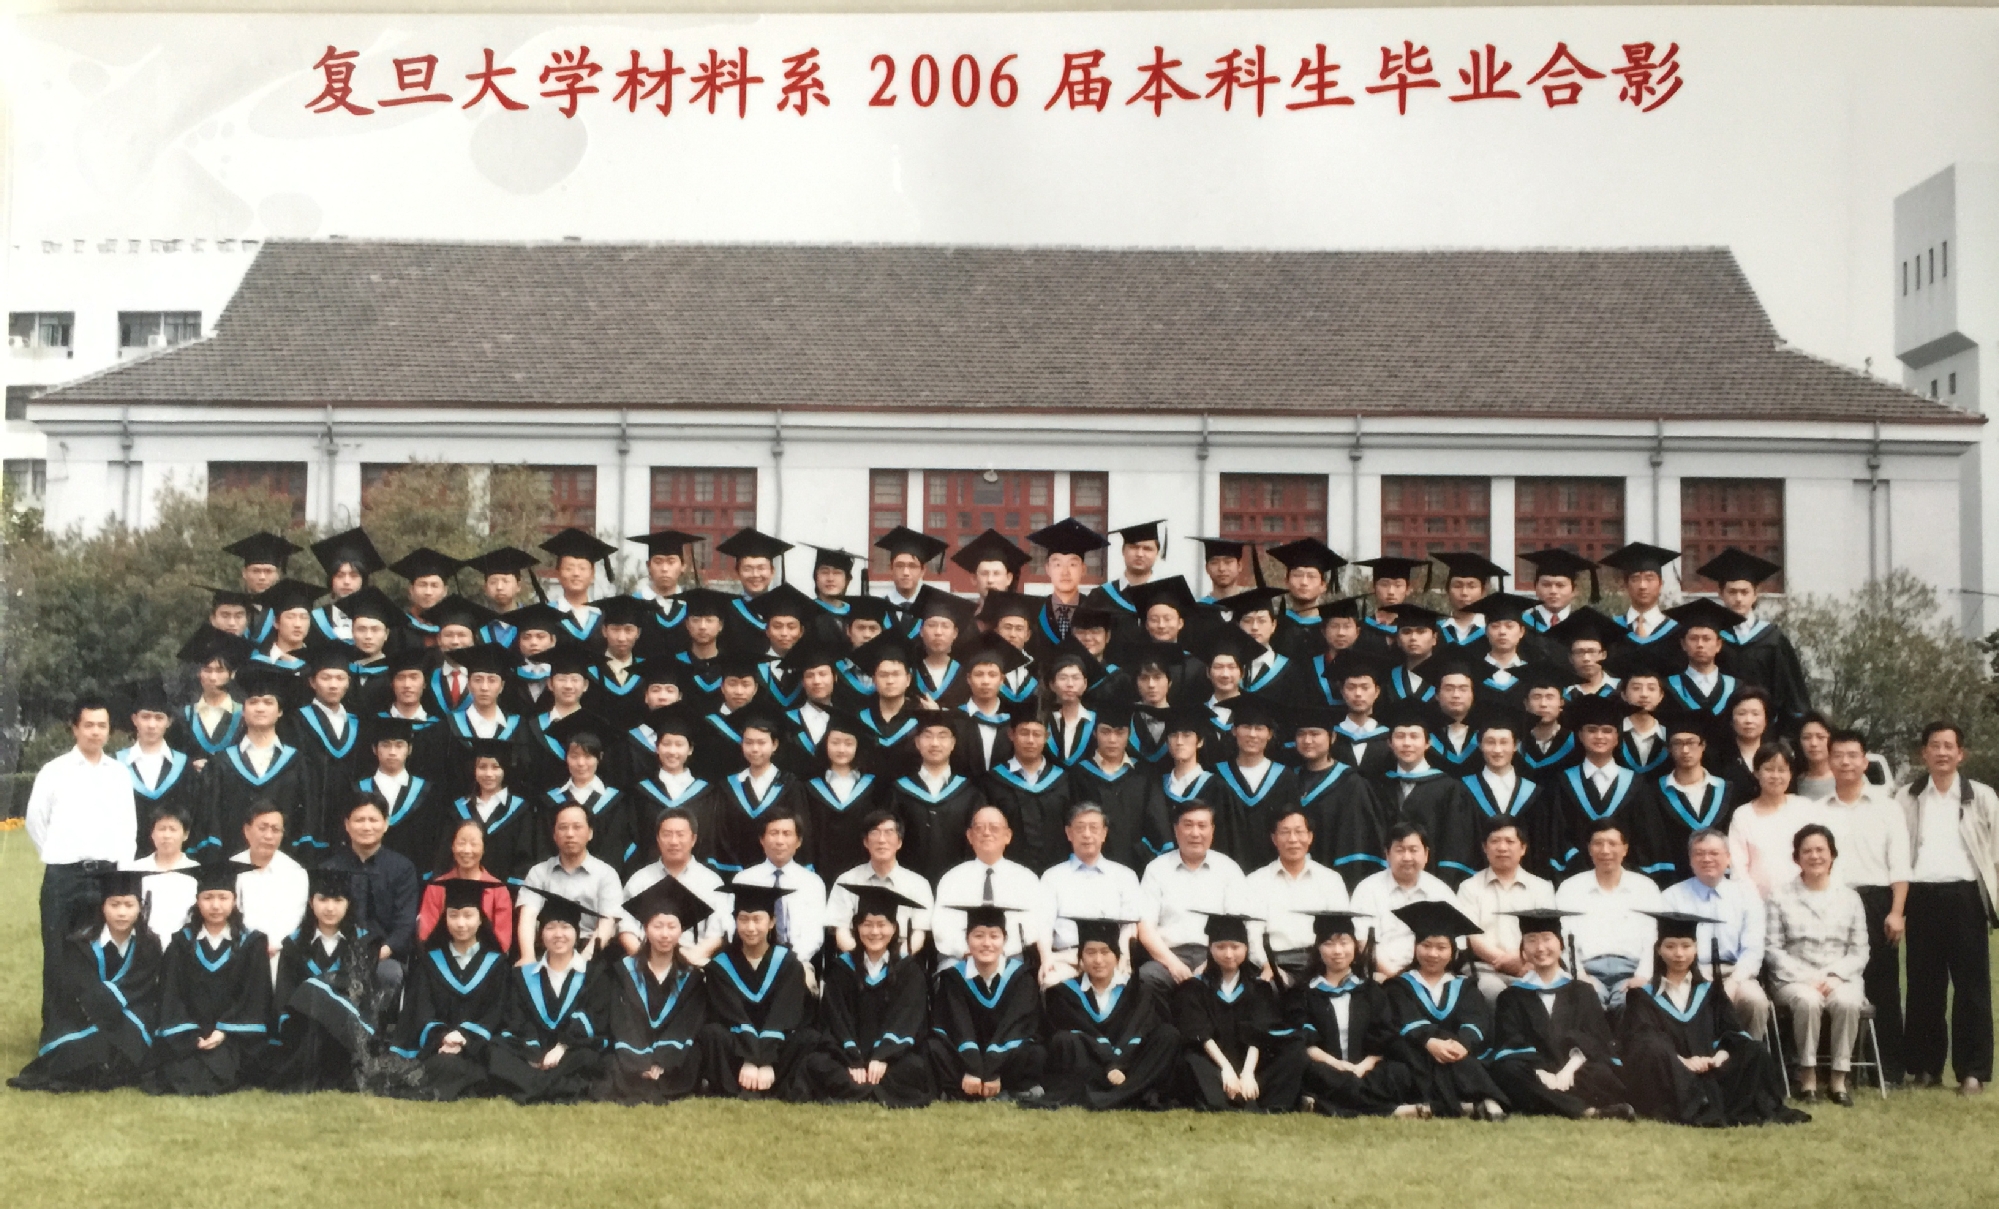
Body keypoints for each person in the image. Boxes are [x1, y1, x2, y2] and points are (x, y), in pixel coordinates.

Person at [1617, 910, 1804, 1126]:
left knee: (1755, 1050)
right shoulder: (1642, 996)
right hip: (1673, 1072)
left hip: (1712, 1069)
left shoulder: (1711, 991)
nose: (1679, 954)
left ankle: (1722, 1103)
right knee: (1652, 1050)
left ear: (1696, 949)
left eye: (1686, 946)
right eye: (1670, 946)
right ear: (1658, 950)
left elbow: (1730, 1030)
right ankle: (1699, 1105)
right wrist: (1682, 1061)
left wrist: (1720, 1056)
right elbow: (1645, 1039)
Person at [1893, 721, 1999, 1095]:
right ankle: (1924, 1068)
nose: (1941, 752)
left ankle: (1973, 1072)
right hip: (1921, 896)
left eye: (1948, 746)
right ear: (1924, 753)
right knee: (1924, 986)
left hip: (1966, 897)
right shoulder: (1906, 796)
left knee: (1972, 988)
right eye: (1934, 746)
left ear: (1960, 754)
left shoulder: (1981, 796)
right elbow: (1898, 850)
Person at [27, 697, 139, 1034]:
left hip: (106, 877)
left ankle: (95, 1030)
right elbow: (36, 822)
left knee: (99, 953)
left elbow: (128, 828)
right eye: (88, 725)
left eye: (101, 725)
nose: (95, 732)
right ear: (75, 728)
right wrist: (62, 855)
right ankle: (56, 1032)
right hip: (64, 877)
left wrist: (120, 876)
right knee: (59, 955)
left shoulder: (118, 773)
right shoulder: (54, 771)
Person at [10, 869, 161, 1093]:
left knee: (119, 1045)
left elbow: (142, 987)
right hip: (84, 1015)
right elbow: (79, 987)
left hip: (127, 1014)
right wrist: (100, 1009)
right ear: (103, 906)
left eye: (129, 905)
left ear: (140, 907)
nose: (122, 912)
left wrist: (111, 1005)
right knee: (86, 1048)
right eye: (114, 904)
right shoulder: (81, 943)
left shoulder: (148, 944)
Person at [1815, 728, 1910, 1083]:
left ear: (1865, 761)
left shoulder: (1887, 807)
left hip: (1877, 900)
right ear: (1829, 761)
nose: (1845, 762)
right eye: (1838, 755)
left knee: (1882, 984)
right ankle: (1836, 1065)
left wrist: (1896, 911)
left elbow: (1900, 865)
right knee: (1834, 978)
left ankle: (1888, 1070)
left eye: (1852, 755)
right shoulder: (1818, 810)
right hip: (1833, 899)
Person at [1485, 909, 1635, 1120]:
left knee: (1601, 1073)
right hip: (1533, 1070)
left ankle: (1544, 1101)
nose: (1540, 948)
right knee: (1508, 1071)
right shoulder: (1511, 996)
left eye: (1547, 939)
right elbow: (1511, 1042)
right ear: (1523, 949)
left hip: (1576, 1069)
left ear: (1561, 944)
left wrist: (1568, 1070)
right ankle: (1586, 1111)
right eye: (1532, 940)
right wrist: (1540, 1072)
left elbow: (1595, 1040)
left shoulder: (1583, 991)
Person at [143, 862, 274, 1096]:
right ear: (197, 901)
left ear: (234, 901)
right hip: (188, 1035)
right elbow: (171, 995)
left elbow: (254, 998)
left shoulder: (252, 944)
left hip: (233, 1035)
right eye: (208, 897)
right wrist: (192, 1035)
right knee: (181, 1069)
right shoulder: (181, 944)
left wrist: (222, 1031)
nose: (215, 905)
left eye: (223, 898)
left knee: (221, 1067)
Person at [1766, 824, 1870, 1104]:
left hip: (1841, 977)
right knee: (1808, 1000)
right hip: (1794, 978)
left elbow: (1860, 950)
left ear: (1832, 855)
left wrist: (1836, 976)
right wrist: (1807, 978)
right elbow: (1773, 948)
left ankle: (1839, 1078)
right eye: (1807, 851)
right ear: (1797, 857)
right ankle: (1808, 1076)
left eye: (1821, 850)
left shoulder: (1850, 898)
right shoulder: (1779, 896)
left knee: (1847, 1001)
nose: (1814, 856)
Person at [805, 885, 936, 1107]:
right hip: (848, 1057)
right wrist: (853, 1059)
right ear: (857, 928)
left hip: (892, 1059)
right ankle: (877, 1090)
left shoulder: (909, 970)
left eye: (882, 924)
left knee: (915, 1067)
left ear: (894, 928)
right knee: (816, 1063)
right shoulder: (842, 969)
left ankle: (857, 1090)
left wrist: (883, 1056)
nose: (875, 932)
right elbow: (835, 1019)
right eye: (867, 924)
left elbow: (907, 1019)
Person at [1285, 910, 1425, 1117]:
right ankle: (1392, 1111)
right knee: (1313, 1073)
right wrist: (1337, 1065)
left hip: (1365, 1069)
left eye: (1344, 943)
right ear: (1318, 948)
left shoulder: (1371, 991)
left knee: (1399, 1072)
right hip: (1326, 1067)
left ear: (1355, 946)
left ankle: (1327, 1105)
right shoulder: (1303, 993)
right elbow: (1305, 1042)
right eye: (1329, 944)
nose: (1337, 951)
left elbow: (1384, 1037)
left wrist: (1362, 1067)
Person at [1380, 900, 1509, 1119]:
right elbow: (1403, 1020)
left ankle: (1469, 1103)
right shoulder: (1398, 986)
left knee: (1461, 1056)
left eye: (1441, 947)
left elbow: (1476, 1020)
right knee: (1414, 1057)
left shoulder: (1464, 986)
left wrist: (1463, 1044)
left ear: (1452, 951)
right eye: (1426, 945)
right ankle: (1481, 1101)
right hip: (1416, 1052)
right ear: (1416, 947)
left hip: (1457, 1053)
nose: (1433, 954)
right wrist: (1429, 1042)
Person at [385, 877, 510, 1102]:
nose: (461, 923)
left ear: (481, 919)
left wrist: (464, 1037)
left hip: (478, 1047)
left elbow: (496, 1012)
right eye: (453, 915)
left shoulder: (497, 964)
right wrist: (444, 1037)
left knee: (489, 1063)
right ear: (445, 918)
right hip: (438, 1047)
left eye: (468, 915)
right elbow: (421, 1010)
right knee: (443, 1065)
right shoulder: (429, 962)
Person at [1042, 915, 1182, 1110]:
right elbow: (1081, 1034)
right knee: (1065, 1040)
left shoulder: (1138, 991)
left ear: (1117, 956)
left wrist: (1120, 1065)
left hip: (1129, 1066)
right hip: (1091, 1066)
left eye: (1105, 952)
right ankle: (1130, 1094)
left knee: (1168, 1035)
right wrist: (1110, 1064)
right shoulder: (1064, 993)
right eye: (1090, 952)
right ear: (1081, 957)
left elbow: (1139, 1031)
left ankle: (1103, 1097)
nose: (1098, 960)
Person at [595, 876, 711, 1105]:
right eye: (657, 926)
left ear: (681, 931)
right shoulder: (624, 971)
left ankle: (658, 1076)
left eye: (672, 927)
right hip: (631, 1056)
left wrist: (662, 1060)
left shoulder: (691, 977)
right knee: (610, 1061)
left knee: (694, 1056)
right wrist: (641, 1060)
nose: (665, 934)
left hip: (673, 1060)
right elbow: (622, 1020)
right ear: (646, 929)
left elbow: (687, 1023)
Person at [488, 891, 611, 1104]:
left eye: (565, 927)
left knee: (590, 1057)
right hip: (533, 1051)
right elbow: (517, 1021)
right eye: (551, 927)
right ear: (541, 934)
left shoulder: (594, 974)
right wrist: (534, 1054)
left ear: (576, 933)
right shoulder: (523, 976)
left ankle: (533, 1086)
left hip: (571, 1050)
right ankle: (559, 1086)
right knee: (496, 1051)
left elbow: (592, 1018)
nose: (558, 934)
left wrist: (562, 1047)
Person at [699, 880, 817, 1100]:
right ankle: (734, 1086)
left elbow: (783, 1015)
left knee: (808, 1037)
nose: (750, 927)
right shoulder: (721, 965)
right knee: (712, 1033)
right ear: (735, 921)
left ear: (772, 922)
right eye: (743, 919)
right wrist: (750, 1058)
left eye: (757, 919)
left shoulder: (788, 964)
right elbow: (732, 1014)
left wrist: (766, 1060)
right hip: (738, 1047)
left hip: (777, 1047)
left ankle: (777, 1085)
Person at [266, 866, 380, 1094]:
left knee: (315, 991)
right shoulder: (293, 945)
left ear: (348, 904)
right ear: (311, 903)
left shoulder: (364, 944)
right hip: (303, 1032)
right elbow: (285, 995)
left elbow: (363, 993)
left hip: (344, 1033)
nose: (330, 908)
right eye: (323, 899)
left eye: (338, 900)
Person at [1660, 829, 1772, 1041]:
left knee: (1755, 1001)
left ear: (1728, 858)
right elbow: (1667, 948)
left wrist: (1734, 982)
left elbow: (1753, 949)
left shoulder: (1747, 896)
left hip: (1736, 972)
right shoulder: (1671, 897)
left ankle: (1748, 1056)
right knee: (1688, 1001)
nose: (1707, 859)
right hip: (1690, 973)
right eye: (1699, 853)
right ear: (1690, 860)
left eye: (1714, 853)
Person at [1545, 693, 1669, 883]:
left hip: (1627, 880)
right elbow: (1557, 836)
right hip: (1576, 879)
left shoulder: (1637, 785)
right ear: (1580, 736)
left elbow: (1647, 839)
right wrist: (1579, 867)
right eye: (1592, 730)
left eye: (1607, 731)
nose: (1599, 736)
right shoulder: (1562, 783)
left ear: (1617, 737)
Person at [318, 795, 422, 1004]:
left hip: (384, 956)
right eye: (359, 820)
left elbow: (405, 924)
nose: (366, 827)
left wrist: (378, 954)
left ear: (386, 824)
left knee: (389, 974)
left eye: (373, 820)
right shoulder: (331, 868)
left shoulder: (402, 868)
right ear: (347, 825)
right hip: (337, 953)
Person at [1137, 802, 1249, 991]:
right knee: (1147, 977)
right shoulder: (1156, 869)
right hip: (1168, 956)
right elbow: (1146, 928)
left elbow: (1236, 925)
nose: (1195, 833)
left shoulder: (1228, 869)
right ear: (1176, 829)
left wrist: (1209, 965)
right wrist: (1173, 964)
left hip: (1216, 957)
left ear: (1212, 830)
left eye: (1202, 826)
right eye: (1188, 825)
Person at [1554, 819, 1663, 1010]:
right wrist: (1580, 976)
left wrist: (1643, 976)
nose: (1605, 851)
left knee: (1634, 1004)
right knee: (1587, 1003)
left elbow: (1652, 939)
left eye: (1612, 843)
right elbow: (1563, 939)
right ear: (1589, 849)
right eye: (1598, 843)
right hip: (1587, 971)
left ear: (1625, 849)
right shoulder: (1570, 888)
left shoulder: (1645, 888)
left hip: (1632, 970)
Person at [1699, 547, 1812, 728]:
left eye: (1744, 592)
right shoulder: (1711, 638)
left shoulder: (1773, 639)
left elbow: (1791, 692)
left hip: (1767, 731)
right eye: (1732, 592)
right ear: (1721, 594)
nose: (1738, 599)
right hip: (1720, 730)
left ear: (1755, 594)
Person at [1377, 699, 1481, 890]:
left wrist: (1444, 887)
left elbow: (1456, 845)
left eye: (1414, 736)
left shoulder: (1450, 789)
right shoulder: (1379, 786)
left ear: (1428, 743)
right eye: (1400, 736)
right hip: (1384, 886)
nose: (1407, 743)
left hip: (1433, 887)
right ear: (1389, 743)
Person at [931, 805, 1054, 967]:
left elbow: (1034, 925)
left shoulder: (1026, 879)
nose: (986, 833)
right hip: (960, 959)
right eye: (979, 828)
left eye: (994, 828)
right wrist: (968, 952)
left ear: (1008, 836)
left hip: (1011, 958)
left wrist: (997, 953)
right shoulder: (952, 879)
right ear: (970, 836)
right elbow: (941, 928)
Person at [1040, 803, 1148, 985]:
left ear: (1104, 833)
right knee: (1050, 981)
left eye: (1094, 828)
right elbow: (1043, 924)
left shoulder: (1125, 876)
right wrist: (1046, 958)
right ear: (1069, 833)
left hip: (1110, 958)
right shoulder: (1052, 877)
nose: (1087, 834)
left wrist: (1123, 957)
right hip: (1068, 957)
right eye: (1080, 828)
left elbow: (1129, 925)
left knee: (1127, 983)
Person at [1244, 807, 1351, 984]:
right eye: (1285, 832)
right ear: (1274, 839)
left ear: (1310, 836)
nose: (1293, 839)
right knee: (1267, 988)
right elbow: (1252, 935)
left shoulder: (1331, 880)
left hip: (1321, 963)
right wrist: (1267, 965)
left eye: (1299, 832)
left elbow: (1340, 931)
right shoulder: (1255, 882)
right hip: (1276, 963)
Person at [1456, 816, 1557, 1002]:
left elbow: (1547, 934)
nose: (1502, 848)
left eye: (1510, 841)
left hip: (1532, 966)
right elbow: (1472, 937)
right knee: (1496, 994)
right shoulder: (1469, 888)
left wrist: (1524, 960)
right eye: (1495, 841)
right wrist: (1506, 962)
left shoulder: (1542, 888)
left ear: (1523, 848)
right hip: (1485, 969)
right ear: (1485, 847)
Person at [1289, 706, 1388, 892]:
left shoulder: (1351, 784)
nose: (1307, 740)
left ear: (1332, 737)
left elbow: (1357, 840)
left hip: (1335, 882)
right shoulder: (1288, 779)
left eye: (1315, 734)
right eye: (1301, 734)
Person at [518, 802, 628, 963]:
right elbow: (528, 915)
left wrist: (583, 961)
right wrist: (528, 956)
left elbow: (607, 922)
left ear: (590, 833)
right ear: (554, 835)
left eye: (577, 827)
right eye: (563, 827)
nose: (570, 834)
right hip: (548, 951)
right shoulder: (538, 872)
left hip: (591, 952)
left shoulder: (606, 874)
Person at [1069, 703, 1174, 870]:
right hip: (1090, 865)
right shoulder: (1078, 775)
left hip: (1137, 864)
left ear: (1129, 734)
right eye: (1105, 732)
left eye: (1120, 732)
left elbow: (1157, 820)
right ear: (1095, 733)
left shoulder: (1144, 774)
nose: (1112, 740)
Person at [891, 710, 989, 884]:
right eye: (927, 736)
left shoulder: (970, 794)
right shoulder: (899, 791)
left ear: (953, 743)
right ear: (917, 742)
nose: (935, 743)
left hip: (960, 883)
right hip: (907, 883)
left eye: (942, 736)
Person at [1348, 824, 1456, 979]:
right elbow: (1362, 942)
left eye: (1413, 850)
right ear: (1387, 854)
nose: (1407, 857)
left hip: (1429, 976)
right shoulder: (1368, 889)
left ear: (1426, 854)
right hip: (1381, 975)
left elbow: (1456, 943)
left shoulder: (1440, 891)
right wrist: (1396, 979)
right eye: (1400, 850)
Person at [981, 704, 1075, 873]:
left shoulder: (1064, 780)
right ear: (1011, 735)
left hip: (1057, 871)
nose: (1030, 740)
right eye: (1024, 733)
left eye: (1037, 734)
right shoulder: (993, 781)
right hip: (1008, 872)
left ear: (1046, 737)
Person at [730, 809, 827, 969]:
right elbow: (736, 928)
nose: (780, 841)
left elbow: (813, 935)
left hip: (798, 963)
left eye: (787, 834)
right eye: (774, 833)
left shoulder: (812, 883)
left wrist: (788, 964)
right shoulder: (744, 880)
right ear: (762, 840)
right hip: (752, 962)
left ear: (798, 842)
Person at [119, 683, 202, 858]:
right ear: (134, 719)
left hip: (173, 860)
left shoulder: (184, 766)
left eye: (159, 718)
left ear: (169, 722)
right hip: (127, 859)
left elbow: (193, 818)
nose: (152, 725)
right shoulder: (116, 765)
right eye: (145, 717)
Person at [1653, 717, 1737, 886]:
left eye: (1691, 742)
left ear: (1703, 745)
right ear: (1669, 749)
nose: (1685, 750)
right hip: (1674, 883)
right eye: (1677, 744)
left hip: (1722, 882)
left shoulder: (1727, 790)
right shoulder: (1654, 792)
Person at [231, 803, 310, 982]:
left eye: (275, 830)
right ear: (247, 830)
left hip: (281, 956)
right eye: (263, 828)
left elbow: (296, 918)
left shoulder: (295, 872)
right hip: (241, 953)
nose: (268, 836)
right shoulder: (231, 868)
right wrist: (254, 946)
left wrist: (274, 944)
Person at [1726, 743, 1817, 898]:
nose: (1775, 776)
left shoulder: (1804, 808)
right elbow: (1738, 868)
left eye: (1782, 770)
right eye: (1768, 769)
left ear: (1790, 774)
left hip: (1803, 899)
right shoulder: (1743, 815)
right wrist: (1751, 901)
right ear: (1756, 772)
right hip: (1758, 901)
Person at [446, 736, 537, 889]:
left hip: (505, 892)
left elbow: (524, 860)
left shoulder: (521, 811)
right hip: (463, 891)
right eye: (482, 767)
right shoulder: (458, 809)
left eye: (495, 767)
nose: (488, 774)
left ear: (505, 769)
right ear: (474, 770)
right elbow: (446, 856)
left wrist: (509, 893)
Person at [417, 819, 516, 955]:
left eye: (474, 844)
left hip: (487, 961)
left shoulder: (498, 890)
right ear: (452, 846)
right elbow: (425, 934)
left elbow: (502, 941)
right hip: (442, 960)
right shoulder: (437, 887)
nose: (467, 850)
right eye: (461, 843)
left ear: (484, 848)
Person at [121, 805, 200, 944]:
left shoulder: (196, 871)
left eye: (173, 829)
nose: (167, 835)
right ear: (152, 833)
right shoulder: (135, 869)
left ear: (185, 835)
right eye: (162, 829)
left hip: (183, 946)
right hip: (143, 945)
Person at [1793, 714, 1837, 800]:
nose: (1813, 743)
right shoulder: (1792, 781)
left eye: (1821, 737)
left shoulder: (1846, 777)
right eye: (1806, 738)